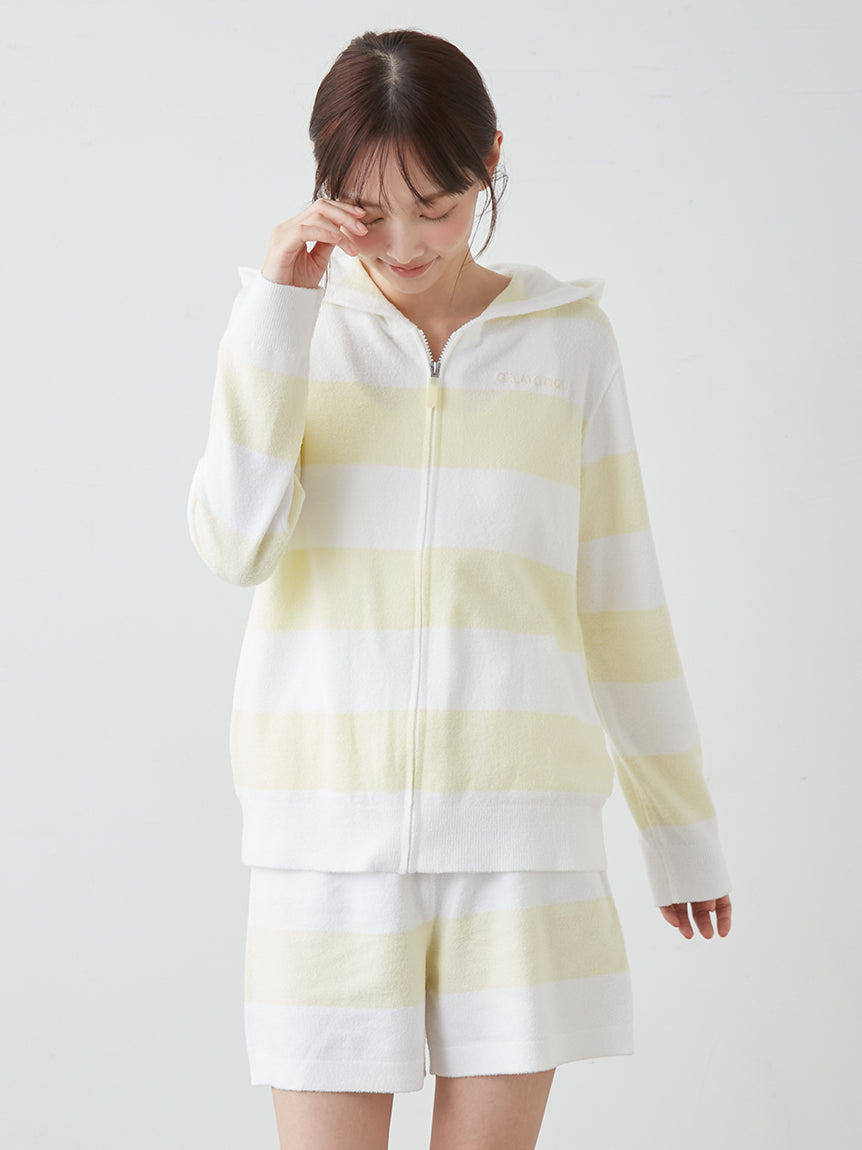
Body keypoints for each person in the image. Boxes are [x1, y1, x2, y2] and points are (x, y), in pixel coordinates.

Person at [186, 27, 733, 1150]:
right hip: (324, 843)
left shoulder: (569, 345)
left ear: (489, 160)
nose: (401, 244)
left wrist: (680, 833)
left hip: (520, 846)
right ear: (323, 191)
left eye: (434, 208)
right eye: (365, 209)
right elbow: (234, 545)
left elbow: (618, 597)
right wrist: (278, 316)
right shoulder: (289, 330)